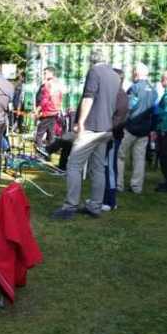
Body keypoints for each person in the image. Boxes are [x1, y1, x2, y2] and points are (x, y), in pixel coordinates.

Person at [51, 49, 120, 220]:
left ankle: (70, 206)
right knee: (98, 168)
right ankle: (95, 206)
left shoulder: (94, 71)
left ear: (91, 60)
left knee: (74, 165)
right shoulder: (115, 75)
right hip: (106, 128)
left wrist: (81, 122)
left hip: (91, 127)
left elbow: (89, 98)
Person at [117, 62, 157, 194]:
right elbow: (155, 112)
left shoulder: (134, 88)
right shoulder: (154, 91)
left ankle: (118, 184)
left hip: (130, 128)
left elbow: (128, 107)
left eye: (134, 71)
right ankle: (136, 187)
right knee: (139, 159)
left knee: (120, 156)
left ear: (136, 73)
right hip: (145, 130)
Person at [101, 69, 130, 211]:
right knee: (105, 167)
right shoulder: (115, 94)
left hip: (112, 137)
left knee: (110, 169)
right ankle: (103, 199)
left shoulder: (120, 96)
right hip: (109, 136)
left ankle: (110, 201)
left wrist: (107, 133)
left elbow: (117, 121)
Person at [34, 66, 64, 154]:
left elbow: (45, 99)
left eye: (45, 73)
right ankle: (50, 153)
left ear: (51, 73)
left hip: (47, 112)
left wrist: (37, 110)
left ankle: (40, 153)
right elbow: (60, 97)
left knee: (39, 134)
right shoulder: (58, 84)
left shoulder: (48, 84)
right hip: (54, 112)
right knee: (51, 134)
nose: (43, 75)